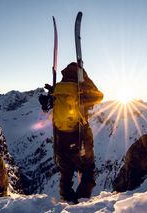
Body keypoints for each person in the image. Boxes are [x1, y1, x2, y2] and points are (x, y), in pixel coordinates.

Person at [40, 62, 103, 203]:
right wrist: (86, 80)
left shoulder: (58, 88)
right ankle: (81, 201)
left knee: (66, 172)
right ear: (80, 73)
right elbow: (99, 96)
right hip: (80, 135)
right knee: (88, 169)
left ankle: (67, 199)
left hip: (60, 137)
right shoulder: (81, 90)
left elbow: (47, 107)